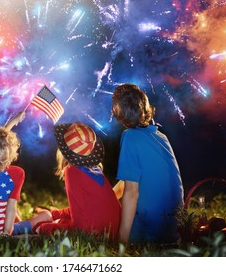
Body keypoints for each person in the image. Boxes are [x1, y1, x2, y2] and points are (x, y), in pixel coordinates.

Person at [111, 83, 184, 243]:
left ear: (120, 110)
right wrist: (108, 196)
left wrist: (121, 242)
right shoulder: (161, 137)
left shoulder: (130, 136)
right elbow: (127, 182)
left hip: (151, 228)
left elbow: (131, 192)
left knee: (109, 222)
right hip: (175, 225)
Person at [0, 111, 52, 235]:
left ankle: (20, 221)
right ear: (12, 153)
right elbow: (11, 208)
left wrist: (13, 121)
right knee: (46, 215)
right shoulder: (16, 174)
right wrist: (7, 233)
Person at [36, 122, 121, 240]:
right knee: (62, 219)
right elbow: (87, 209)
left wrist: (46, 228)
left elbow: (80, 226)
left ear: (64, 150)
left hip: (96, 233)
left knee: (42, 227)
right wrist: (55, 214)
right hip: (112, 231)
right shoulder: (95, 169)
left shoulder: (72, 172)